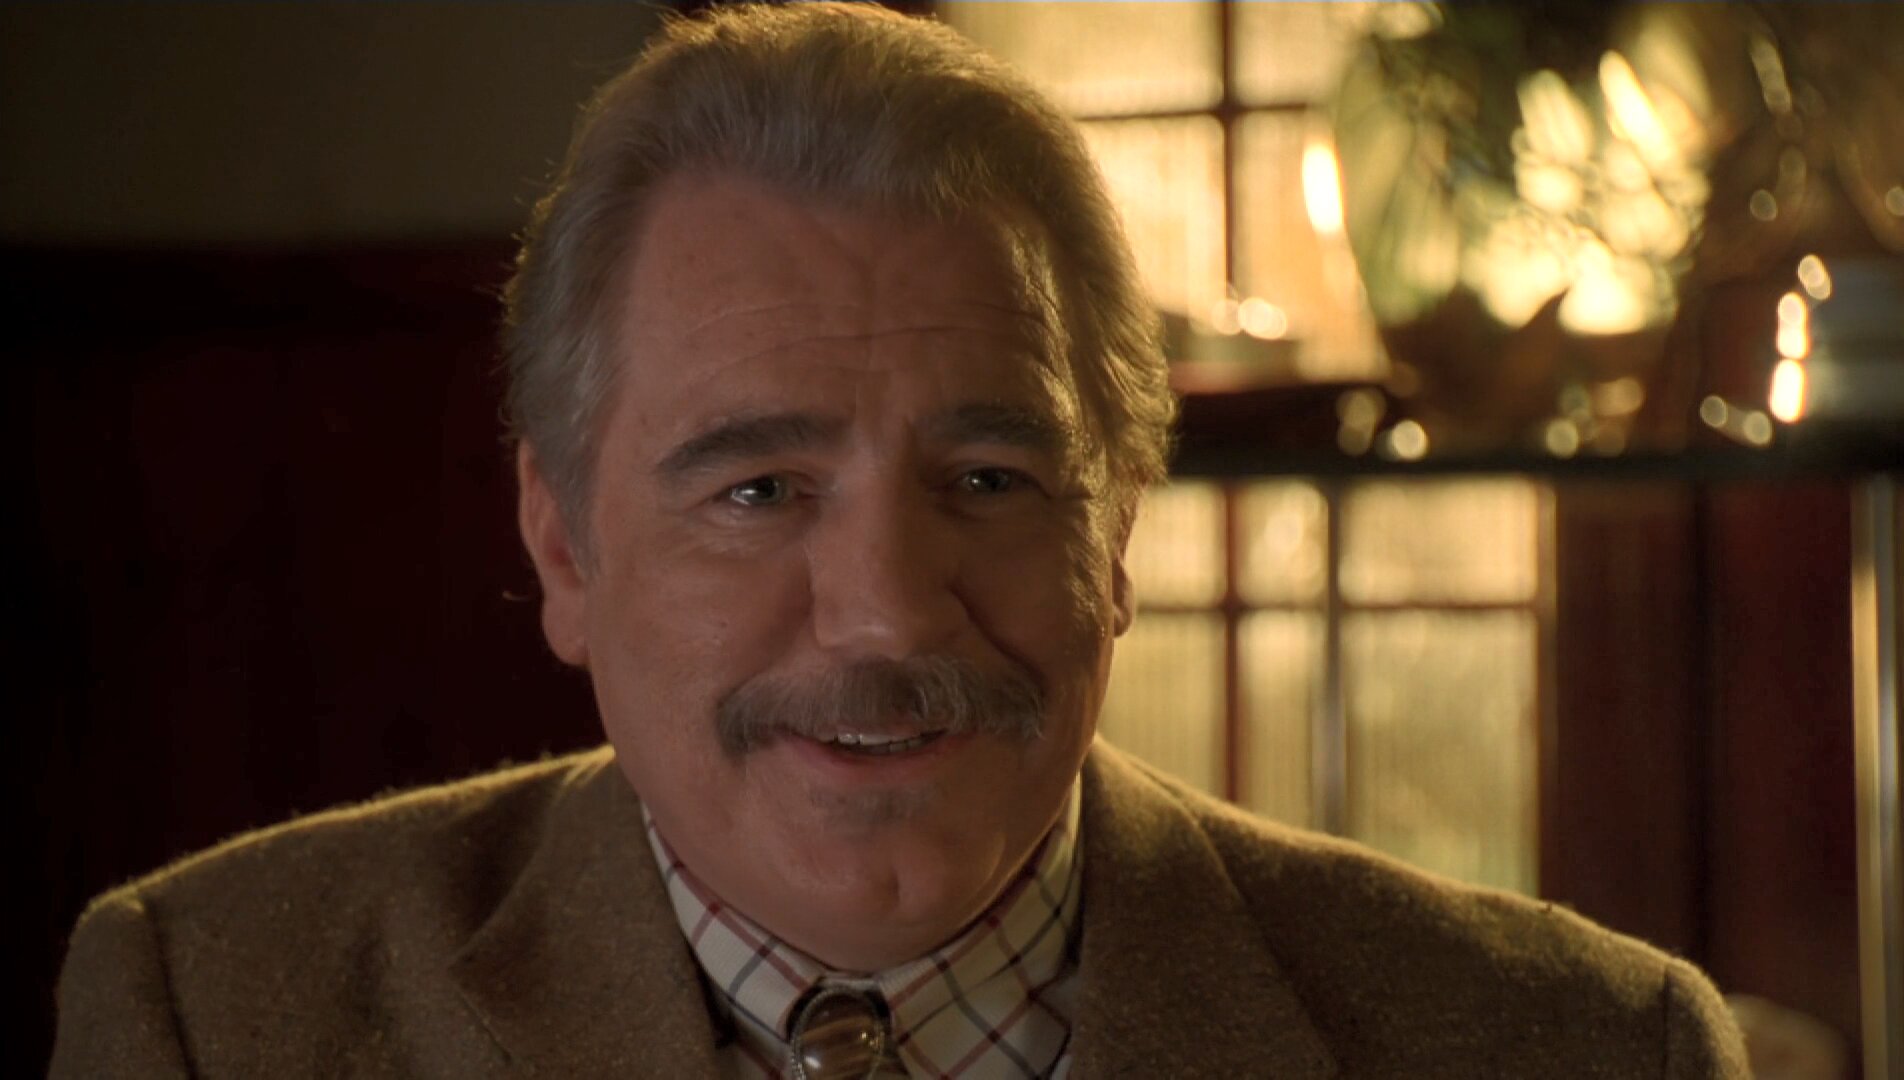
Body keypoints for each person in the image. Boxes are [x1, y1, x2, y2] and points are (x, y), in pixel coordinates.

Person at [50, 4, 1748, 1077]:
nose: (884, 613)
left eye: (991, 480)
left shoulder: (1584, 1050)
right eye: (759, 491)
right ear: (562, 548)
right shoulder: (215, 1014)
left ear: (1117, 530)